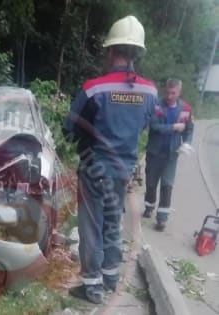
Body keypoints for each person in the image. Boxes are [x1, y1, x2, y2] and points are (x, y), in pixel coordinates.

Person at [62, 15, 157, 304]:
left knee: (91, 224)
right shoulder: (150, 91)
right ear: (137, 53)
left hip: (94, 167)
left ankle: (92, 286)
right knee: (113, 222)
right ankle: (111, 278)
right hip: (123, 168)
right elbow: (142, 125)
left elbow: (69, 129)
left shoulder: (94, 88)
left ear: (111, 51)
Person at [143, 78, 194, 231]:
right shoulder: (157, 105)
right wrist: (173, 127)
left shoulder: (185, 108)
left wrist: (186, 142)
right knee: (151, 184)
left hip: (172, 153)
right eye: (167, 92)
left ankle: (162, 219)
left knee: (167, 185)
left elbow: (188, 129)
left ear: (179, 92)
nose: (169, 96)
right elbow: (154, 126)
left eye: (173, 93)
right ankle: (149, 207)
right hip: (154, 152)